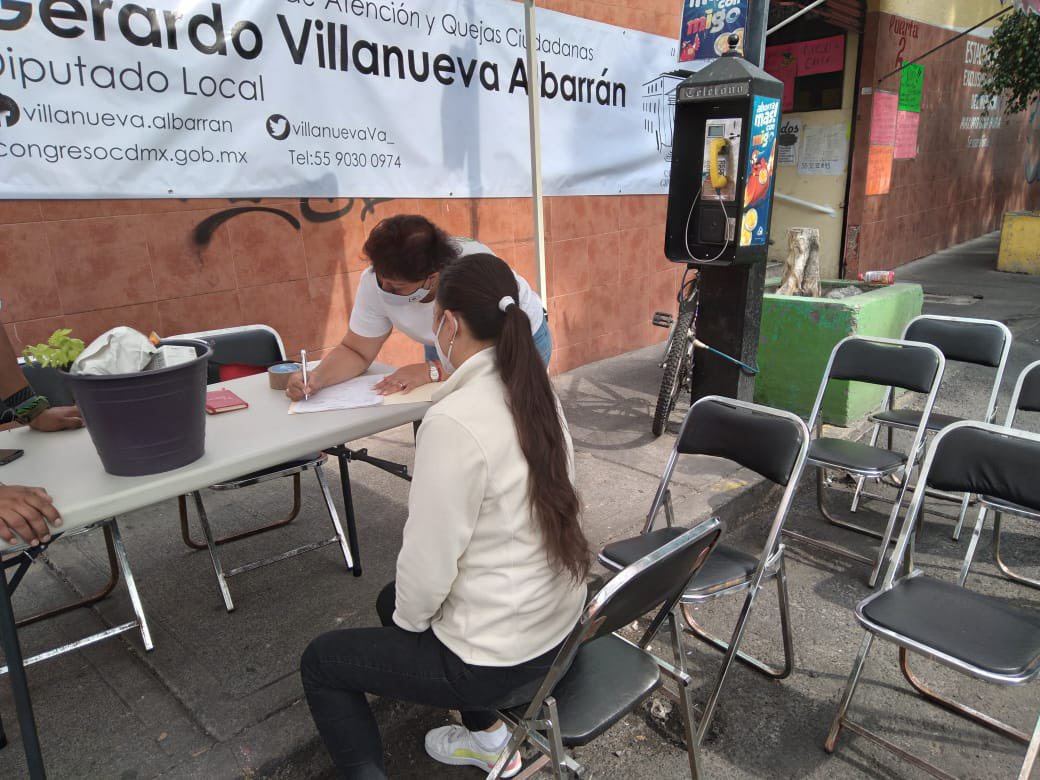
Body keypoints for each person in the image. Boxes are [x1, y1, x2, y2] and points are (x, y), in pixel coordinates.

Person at [300, 253, 589, 779]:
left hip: (500, 661)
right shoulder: (534, 389)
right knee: (394, 601)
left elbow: (430, 563)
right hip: (559, 632)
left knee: (323, 663)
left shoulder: (454, 420)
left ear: (449, 324)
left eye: (434, 319)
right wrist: (411, 622)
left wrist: (414, 631)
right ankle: (489, 740)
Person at [286, 214, 551, 401]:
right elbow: (356, 350)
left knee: (508, 417)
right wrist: (317, 378)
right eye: (381, 279)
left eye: (398, 287)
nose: (385, 290)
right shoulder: (374, 281)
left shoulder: (473, 271)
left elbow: (489, 355)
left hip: (515, 338)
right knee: (446, 413)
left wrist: (432, 370)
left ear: (433, 277)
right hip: (444, 347)